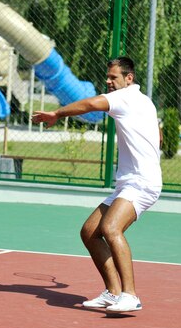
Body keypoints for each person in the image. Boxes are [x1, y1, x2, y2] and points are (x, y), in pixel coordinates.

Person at [31, 56, 162, 313]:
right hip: (131, 181)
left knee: (111, 229)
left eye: (113, 77)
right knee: (90, 232)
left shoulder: (125, 97)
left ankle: (130, 294)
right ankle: (113, 293)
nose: (108, 81)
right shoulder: (145, 101)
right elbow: (157, 134)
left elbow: (91, 103)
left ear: (129, 79)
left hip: (142, 182)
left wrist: (57, 113)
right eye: (108, 77)